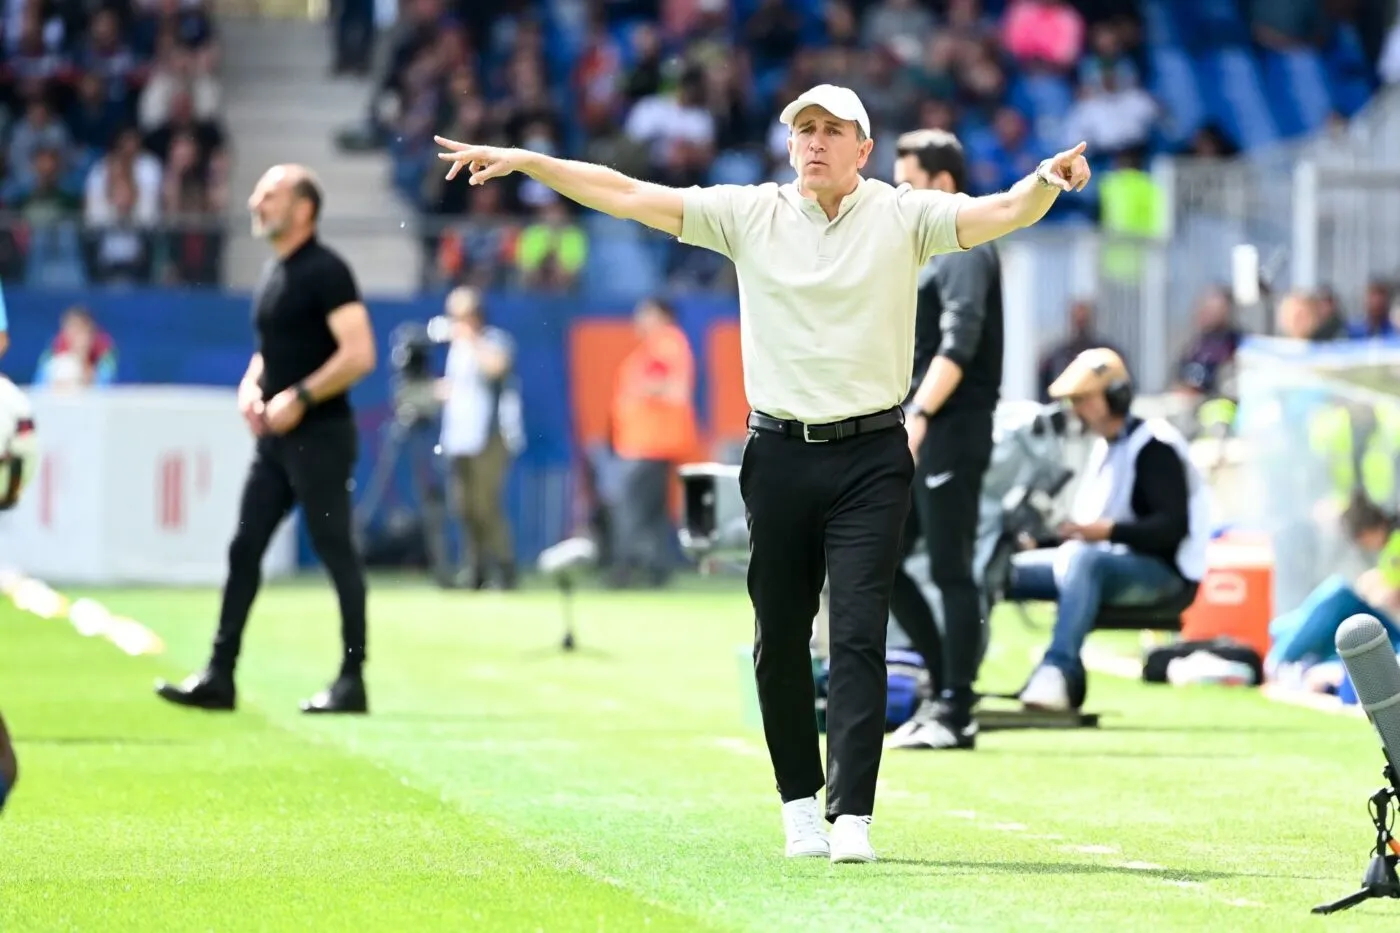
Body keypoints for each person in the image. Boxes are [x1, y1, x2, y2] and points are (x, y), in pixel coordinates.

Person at [436, 83, 1090, 864]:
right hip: (778, 453)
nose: (814, 141)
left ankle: (852, 815)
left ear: (864, 149)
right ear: (788, 144)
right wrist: (532, 161)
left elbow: (1001, 212)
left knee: (858, 634)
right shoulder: (748, 212)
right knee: (779, 637)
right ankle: (799, 805)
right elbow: (628, 193)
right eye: (803, 128)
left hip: (872, 454)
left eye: (832, 129)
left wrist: (1046, 179)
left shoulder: (902, 214)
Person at [155, 164, 378, 715]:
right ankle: (219, 674)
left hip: (321, 436)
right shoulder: (276, 271)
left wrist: (300, 397)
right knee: (245, 547)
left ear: (304, 209)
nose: (256, 201)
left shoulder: (327, 271)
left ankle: (352, 680)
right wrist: (251, 387)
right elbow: (270, 351)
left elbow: (359, 354)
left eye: (271, 194)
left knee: (335, 551)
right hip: (277, 442)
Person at [886, 129, 1005, 752]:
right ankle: (943, 689)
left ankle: (957, 709)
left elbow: (959, 342)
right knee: (880, 559)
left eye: (908, 182)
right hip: (923, 423)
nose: (900, 194)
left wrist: (920, 413)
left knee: (951, 567)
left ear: (943, 182)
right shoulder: (929, 248)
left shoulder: (965, 242)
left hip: (950, 426)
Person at [1012, 348, 1210, 711]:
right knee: (1001, 568)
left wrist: (1108, 533)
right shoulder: (1104, 448)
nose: (1076, 410)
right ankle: (951, 678)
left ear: (1115, 396)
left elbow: (1171, 528)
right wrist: (1037, 542)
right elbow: (1087, 529)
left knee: (1085, 561)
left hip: (1165, 574)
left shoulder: (1155, 446)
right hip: (1099, 559)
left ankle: (1058, 669)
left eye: (1083, 400)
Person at [437, 285, 524, 590]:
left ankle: (505, 569)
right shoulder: (456, 349)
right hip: (459, 437)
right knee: (464, 507)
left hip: (490, 436)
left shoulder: (493, 339)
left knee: (487, 505)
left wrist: (470, 338)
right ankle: (475, 570)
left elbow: (496, 367)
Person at [607, 297, 698, 589]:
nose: (638, 320)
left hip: (648, 442)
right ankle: (657, 569)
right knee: (653, 510)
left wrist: (639, 389)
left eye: (645, 314)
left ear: (661, 315)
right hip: (651, 441)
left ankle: (626, 569)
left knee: (631, 507)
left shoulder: (665, 343)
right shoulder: (665, 344)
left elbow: (673, 388)